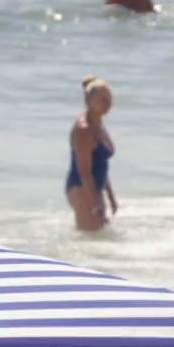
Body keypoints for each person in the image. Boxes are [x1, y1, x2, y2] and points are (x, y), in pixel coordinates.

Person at [65, 76, 119, 232]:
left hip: (94, 187)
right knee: (91, 235)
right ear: (89, 100)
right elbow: (84, 172)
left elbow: (101, 164)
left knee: (97, 235)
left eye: (109, 98)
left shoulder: (98, 123)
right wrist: (95, 204)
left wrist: (110, 196)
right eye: (103, 99)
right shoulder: (84, 129)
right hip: (81, 187)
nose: (107, 103)